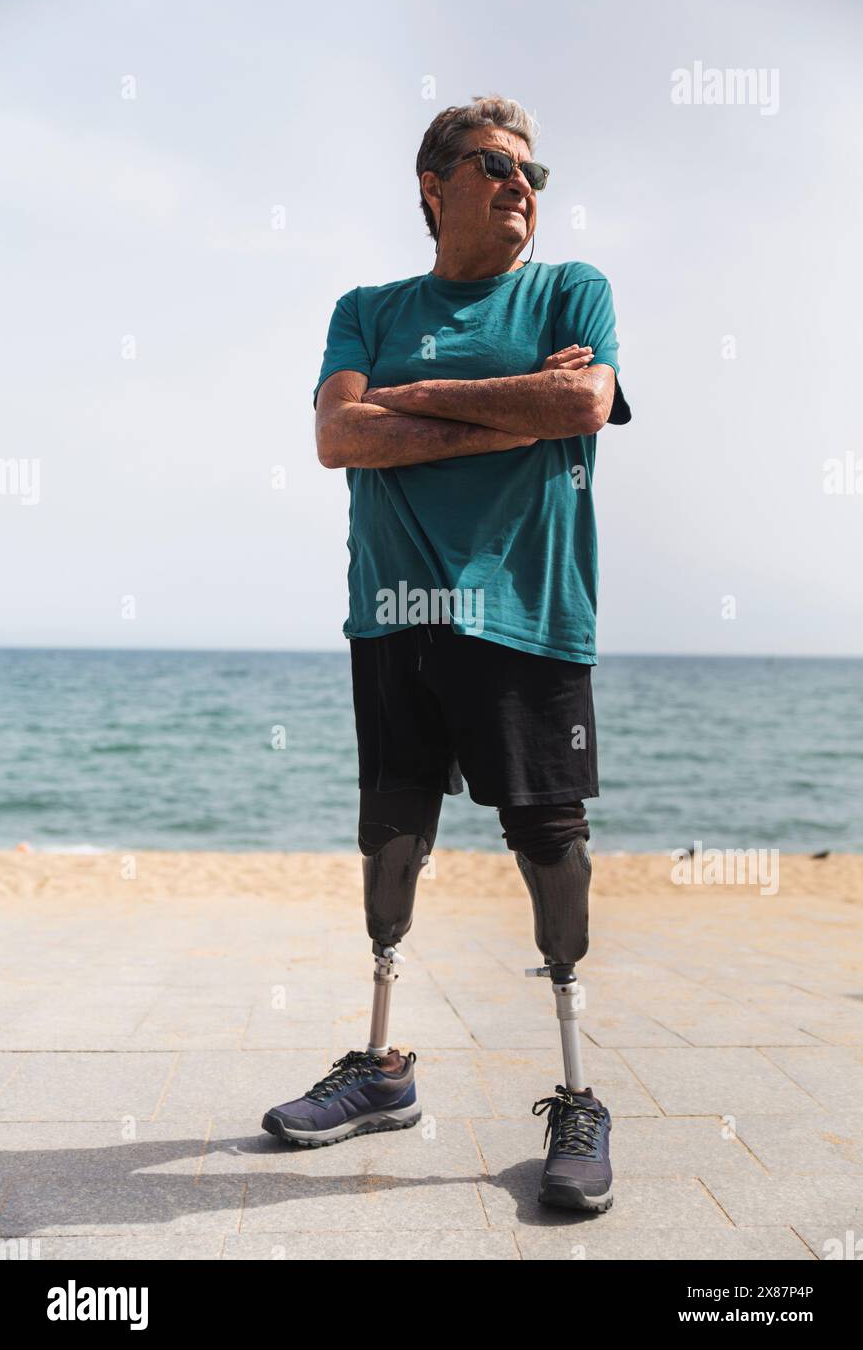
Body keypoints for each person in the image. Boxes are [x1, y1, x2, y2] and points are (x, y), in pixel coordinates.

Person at [263, 94, 631, 1213]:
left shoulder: (571, 291)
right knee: (390, 836)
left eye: (531, 170)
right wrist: (511, 412)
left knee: (550, 844)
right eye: (490, 164)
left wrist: (417, 401)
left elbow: (584, 398)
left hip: (527, 611)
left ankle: (575, 1096)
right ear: (430, 185)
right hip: (394, 613)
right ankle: (379, 1072)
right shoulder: (366, 308)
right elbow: (338, 435)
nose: (518, 183)